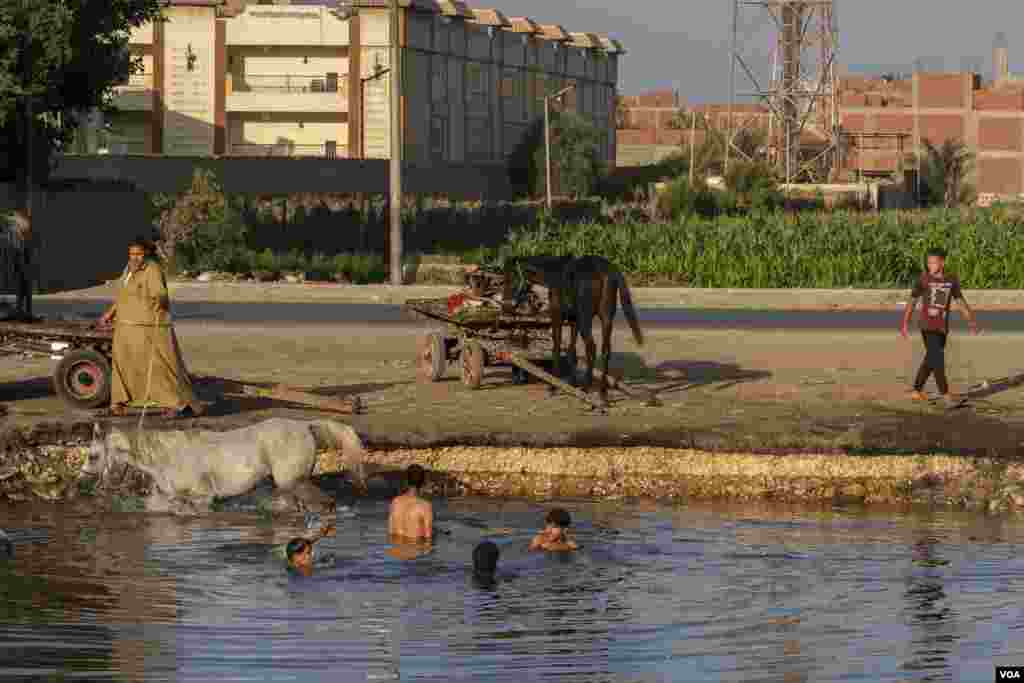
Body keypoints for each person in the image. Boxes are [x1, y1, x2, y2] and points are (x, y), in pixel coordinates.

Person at [98, 238, 200, 418]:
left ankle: (175, 404)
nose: (134, 257)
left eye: (138, 254)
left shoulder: (152, 269)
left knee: (159, 366)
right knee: (122, 365)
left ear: (146, 254)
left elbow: (159, 293)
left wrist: (160, 300)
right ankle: (118, 404)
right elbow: (123, 295)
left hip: (147, 327)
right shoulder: (128, 270)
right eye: (131, 254)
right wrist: (109, 313)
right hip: (125, 327)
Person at [900, 247, 979, 406]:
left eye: (933, 262)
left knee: (931, 359)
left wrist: (971, 320)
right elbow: (912, 301)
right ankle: (946, 396)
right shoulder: (923, 279)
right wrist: (905, 322)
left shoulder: (951, 279)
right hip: (927, 326)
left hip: (942, 327)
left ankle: (917, 390)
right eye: (928, 263)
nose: (930, 266)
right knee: (938, 359)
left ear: (942, 263)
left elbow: (960, 301)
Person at [388, 464, 433, 541]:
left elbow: (391, 532)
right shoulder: (425, 506)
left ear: (406, 481)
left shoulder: (395, 502)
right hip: (415, 550)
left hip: (395, 551)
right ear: (423, 482)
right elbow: (428, 538)